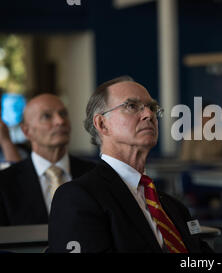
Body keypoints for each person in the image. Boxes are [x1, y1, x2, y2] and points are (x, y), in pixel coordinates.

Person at [48, 76, 213, 253]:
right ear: (102, 124)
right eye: (132, 106)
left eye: (152, 107)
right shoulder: (79, 197)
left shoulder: (173, 207)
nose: (149, 115)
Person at [0, 94, 95, 226]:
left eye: (63, 114)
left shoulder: (95, 175)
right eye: (47, 116)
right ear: (26, 131)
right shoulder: (4, 183)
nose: (60, 121)